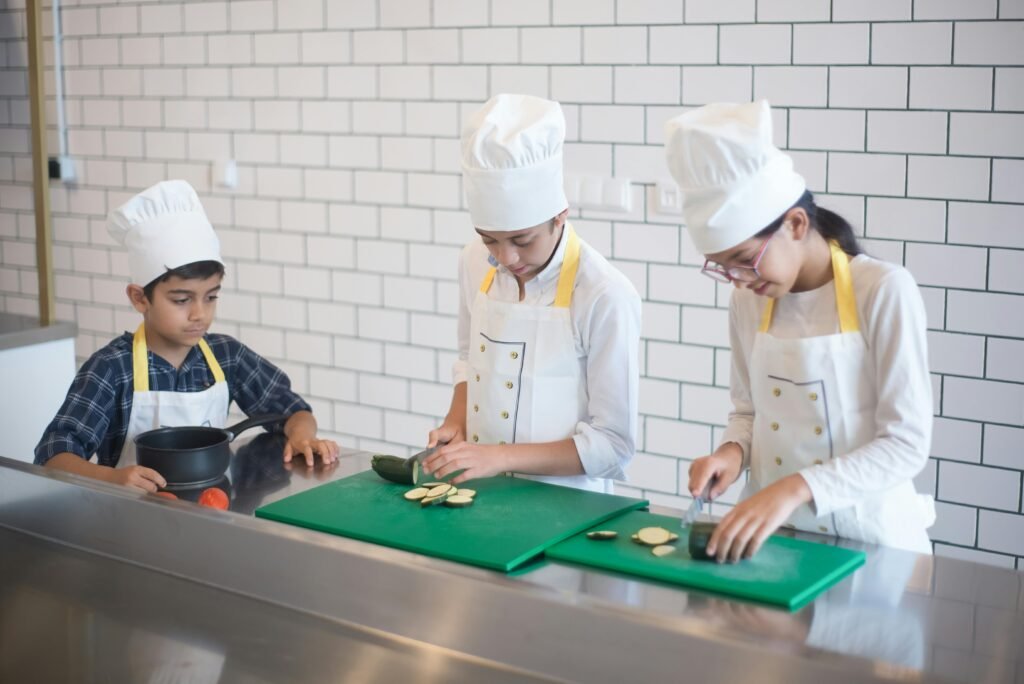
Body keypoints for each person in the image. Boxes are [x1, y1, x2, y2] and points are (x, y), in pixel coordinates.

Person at [665, 100, 935, 560]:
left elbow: (906, 445)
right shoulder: (747, 299)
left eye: (745, 261)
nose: (740, 280)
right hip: (774, 542)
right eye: (723, 269)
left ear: (795, 223)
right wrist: (731, 452)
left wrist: (796, 487)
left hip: (870, 546)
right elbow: (748, 411)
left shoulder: (884, 290)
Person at [34, 180, 339, 492]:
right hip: (128, 518)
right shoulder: (112, 368)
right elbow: (53, 457)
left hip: (209, 510)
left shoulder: (227, 356)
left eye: (211, 297)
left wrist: (302, 436)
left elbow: (293, 411)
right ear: (140, 298)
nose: (199, 314)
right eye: (181, 300)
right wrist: (112, 478)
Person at [422, 94, 642, 492]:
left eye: (522, 240)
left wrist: (499, 456)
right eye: (490, 239)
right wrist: (457, 421)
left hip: (568, 508)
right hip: (481, 493)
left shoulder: (604, 294)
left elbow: (614, 445)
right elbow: (468, 362)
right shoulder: (474, 263)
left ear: (560, 216)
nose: (506, 257)